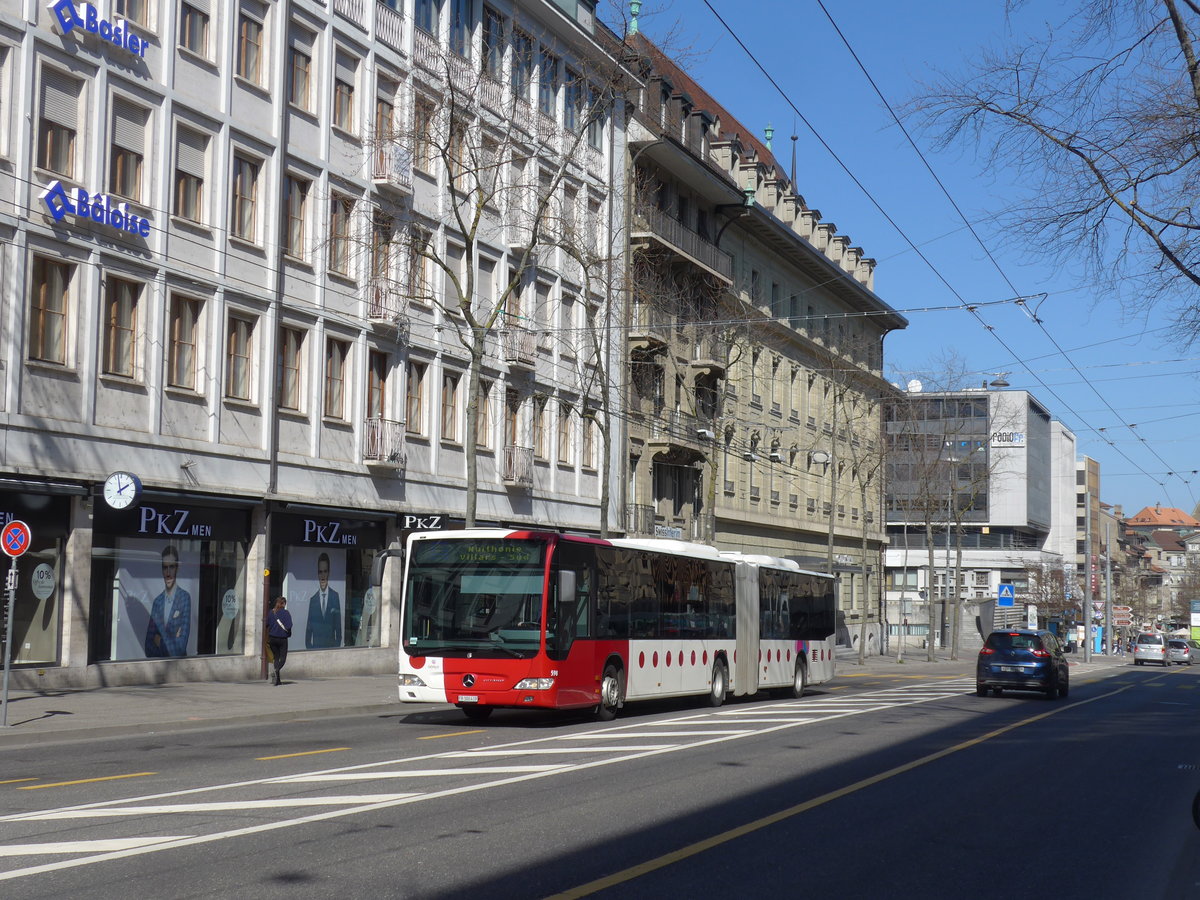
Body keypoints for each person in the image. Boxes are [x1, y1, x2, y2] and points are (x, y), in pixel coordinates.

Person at [145, 545, 192, 657]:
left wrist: (159, 640)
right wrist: (172, 641)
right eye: (165, 567)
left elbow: (180, 648)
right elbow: (148, 647)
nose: (168, 573)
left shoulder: (184, 598)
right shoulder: (157, 602)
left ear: (177, 568)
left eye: (171, 567)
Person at [305, 552, 342, 649]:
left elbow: (338, 627)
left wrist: (336, 647)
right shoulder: (313, 600)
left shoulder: (335, 596)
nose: (323, 576)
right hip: (316, 648)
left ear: (329, 572)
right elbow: (309, 629)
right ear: (317, 573)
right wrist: (310, 648)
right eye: (320, 572)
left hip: (331, 648)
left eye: (325, 571)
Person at [266, 596, 293, 686]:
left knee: (276, 657)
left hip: (272, 638)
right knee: (283, 659)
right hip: (282, 639)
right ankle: (277, 669)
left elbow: (267, 624)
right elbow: (289, 626)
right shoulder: (286, 613)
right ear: (284, 604)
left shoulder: (271, 612)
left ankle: (278, 681)